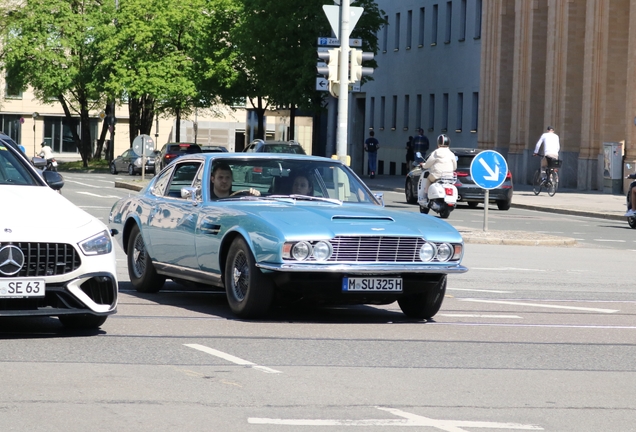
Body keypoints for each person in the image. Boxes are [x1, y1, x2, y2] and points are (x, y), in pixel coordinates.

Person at [417, 134, 457, 205]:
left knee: (428, 178)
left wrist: (423, 165)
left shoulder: (435, 153)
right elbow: (455, 167)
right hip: (448, 177)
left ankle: (425, 196)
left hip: (437, 176)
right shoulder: (451, 154)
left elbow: (427, 164)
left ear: (438, 142)